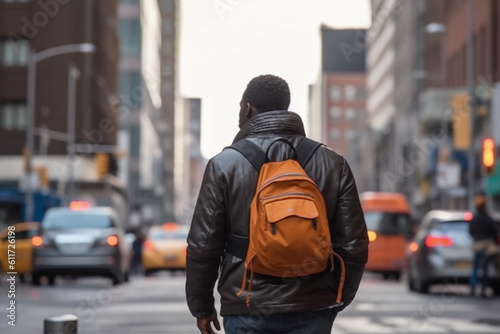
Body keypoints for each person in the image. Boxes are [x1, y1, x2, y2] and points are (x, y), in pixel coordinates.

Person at [186, 74, 368, 334]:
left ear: (247, 108)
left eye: (240, 106)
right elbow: (354, 244)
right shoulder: (332, 163)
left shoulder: (224, 165)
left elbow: (203, 246)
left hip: (246, 303)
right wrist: (337, 296)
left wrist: (202, 307)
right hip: (313, 305)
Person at [469, 194, 500, 298]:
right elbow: (495, 232)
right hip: (487, 246)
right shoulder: (488, 218)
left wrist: (477, 238)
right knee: (485, 269)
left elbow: (471, 231)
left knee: (475, 268)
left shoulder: (475, 218)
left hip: (477, 246)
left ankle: (473, 287)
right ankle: (482, 289)